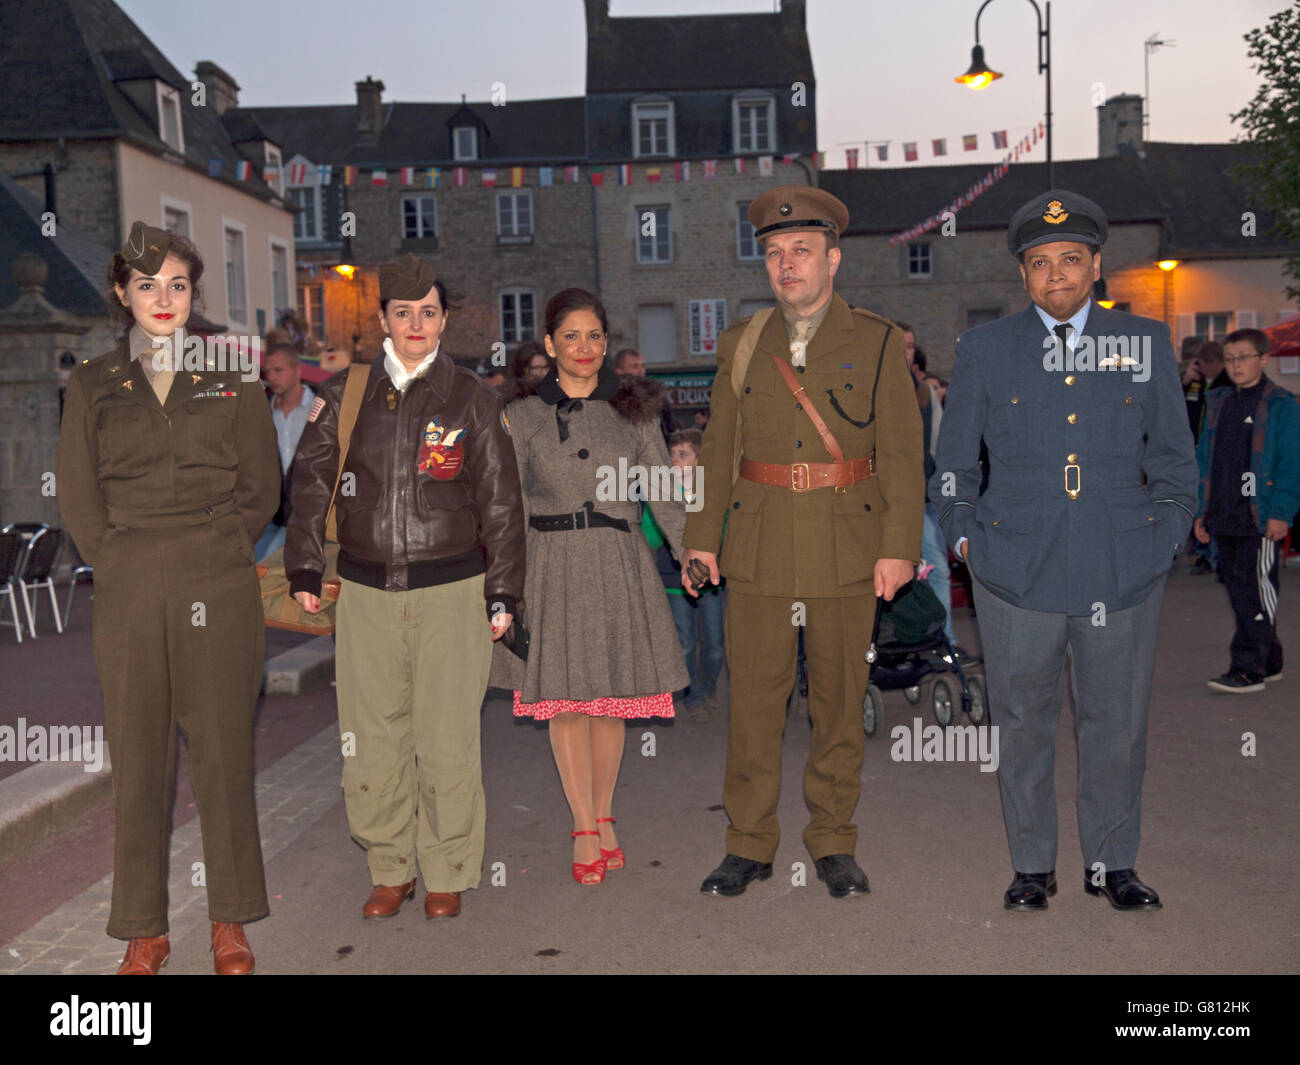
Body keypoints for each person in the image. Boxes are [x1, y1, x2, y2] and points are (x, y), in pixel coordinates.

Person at [931, 189, 1199, 912]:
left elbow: (1176, 463)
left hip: (1123, 567)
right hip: (1013, 570)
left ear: (1096, 265)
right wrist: (963, 539)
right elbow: (953, 466)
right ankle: (1032, 864)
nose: (1056, 276)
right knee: (1022, 723)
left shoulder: (1143, 344)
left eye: (1070, 261)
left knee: (1117, 722)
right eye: (1040, 263)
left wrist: (1165, 537)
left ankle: (1113, 863)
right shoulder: (986, 350)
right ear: (1023, 273)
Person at [683, 186, 924, 900]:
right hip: (757, 548)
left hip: (847, 546)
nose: (787, 265)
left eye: (802, 251)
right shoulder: (741, 343)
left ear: (833, 260)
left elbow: (904, 456)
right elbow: (720, 448)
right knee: (752, 704)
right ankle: (749, 842)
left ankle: (833, 841)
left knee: (838, 705)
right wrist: (703, 540)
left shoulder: (878, 340)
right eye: (775, 253)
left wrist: (898, 546)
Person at [56, 221, 280, 974]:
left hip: (216, 577)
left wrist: (218, 547)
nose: (163, 298)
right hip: (128, 582)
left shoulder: (234, 375)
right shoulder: (91, 384)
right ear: (123, 293)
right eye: (147, 285)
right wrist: (115, 558)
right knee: (139, 757)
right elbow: (79, 497)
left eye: (178, 285)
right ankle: (143, 927)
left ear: (193, 297)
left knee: (222, 752)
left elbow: (261, 490)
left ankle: (230, 919)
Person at [286, 254, 525, 921]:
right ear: (383, 319)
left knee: (447, 734)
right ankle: (390, 865)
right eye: (402, 312)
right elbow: (308, 481)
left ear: (444, 319)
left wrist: (503, 592)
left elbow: (502, 502)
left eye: (427, 312)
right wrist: (305, 566)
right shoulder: (344, 394)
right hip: (364, 589)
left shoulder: (473, 398)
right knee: (373, 732)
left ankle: (447, 865)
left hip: (453, 589)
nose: (415, 324)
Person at [491, 288, 688, 886]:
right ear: (549, 346)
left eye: (595, 336)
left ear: (607, 343)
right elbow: (508, 505)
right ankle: (582, 826)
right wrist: (505, 585)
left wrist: (691, 553)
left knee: (609, 704)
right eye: (571, 337)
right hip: (549, 564)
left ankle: (604, 816)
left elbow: (663, 490)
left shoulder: (635, 412)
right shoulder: (520, 416)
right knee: (568, 704)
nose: (584, 347)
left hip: (616, 560)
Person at [1193, 328, 1299, 692]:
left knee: (1256, 589)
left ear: (1264, 359)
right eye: (1231, 358)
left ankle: (1247, 668)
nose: (1236, 365)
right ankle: (1269, 660)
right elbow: (1204, 459)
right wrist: (1200, 512)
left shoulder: (1281, 404)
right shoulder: (1218, 400)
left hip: (1260, 514)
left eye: (1244, 357)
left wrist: (1281, 512)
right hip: (1223, 512)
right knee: (1238, 588)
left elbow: (1292, 463)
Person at [647, 429, 724, 723]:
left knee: (716, 644)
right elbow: (650, 534)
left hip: (710, 582)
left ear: (699, 459)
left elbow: (725, 526)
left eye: (683, 454)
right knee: (686, 642)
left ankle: (708, 685)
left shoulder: (711, 491)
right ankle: (694, 696)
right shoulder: (661, 492)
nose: (674, 460)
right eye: (671, 455)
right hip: (673, 579)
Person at [255, 342, 315, 560]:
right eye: (267, 371)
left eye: (278, 370)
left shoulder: (323, 408)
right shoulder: (260, 412)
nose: (271, 377)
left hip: (316, 519)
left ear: (297, 370)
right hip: (274, 518)